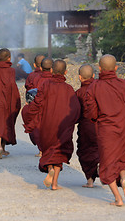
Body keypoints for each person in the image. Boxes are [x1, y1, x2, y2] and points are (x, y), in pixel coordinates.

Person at [84, 54, 125, 206]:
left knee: (107, 164)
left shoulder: (94, 86)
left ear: (99, 68)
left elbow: (91, 112)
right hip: (124, 128)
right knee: (122, 157)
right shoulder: (124, 84)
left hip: (106, 130)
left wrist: (98, 120)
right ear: (116, 68)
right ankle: (124, 179)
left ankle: (118, 198)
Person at [23, 60, 80, 190]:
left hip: (47, 125)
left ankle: (50, 169)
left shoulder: (45, 85)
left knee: (48, 150)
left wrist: (28, 112)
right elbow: (76, 109)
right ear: (66, 72)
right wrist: (72, 121)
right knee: (59, 152)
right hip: (63, 127)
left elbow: (37, 103)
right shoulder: (69, 89)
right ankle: (54, 184)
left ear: (52, 71)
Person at [75, 64, 99, 188]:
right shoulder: (101, 89)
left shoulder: (79, 93)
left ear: (80, 77)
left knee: (85, 152)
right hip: (102, 126)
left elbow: (75, 112)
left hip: (85, 127)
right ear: (94, 76)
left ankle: (90, 180)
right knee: (101, 150)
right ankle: (101, 167)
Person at [23, 56, 51, 157]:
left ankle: (41, 150)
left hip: (36, 106)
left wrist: (28, 103)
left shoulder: (33, 76)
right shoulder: (54, 79)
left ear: (35, 65)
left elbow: (28, 90)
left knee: (37, 127)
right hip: (50, 107)